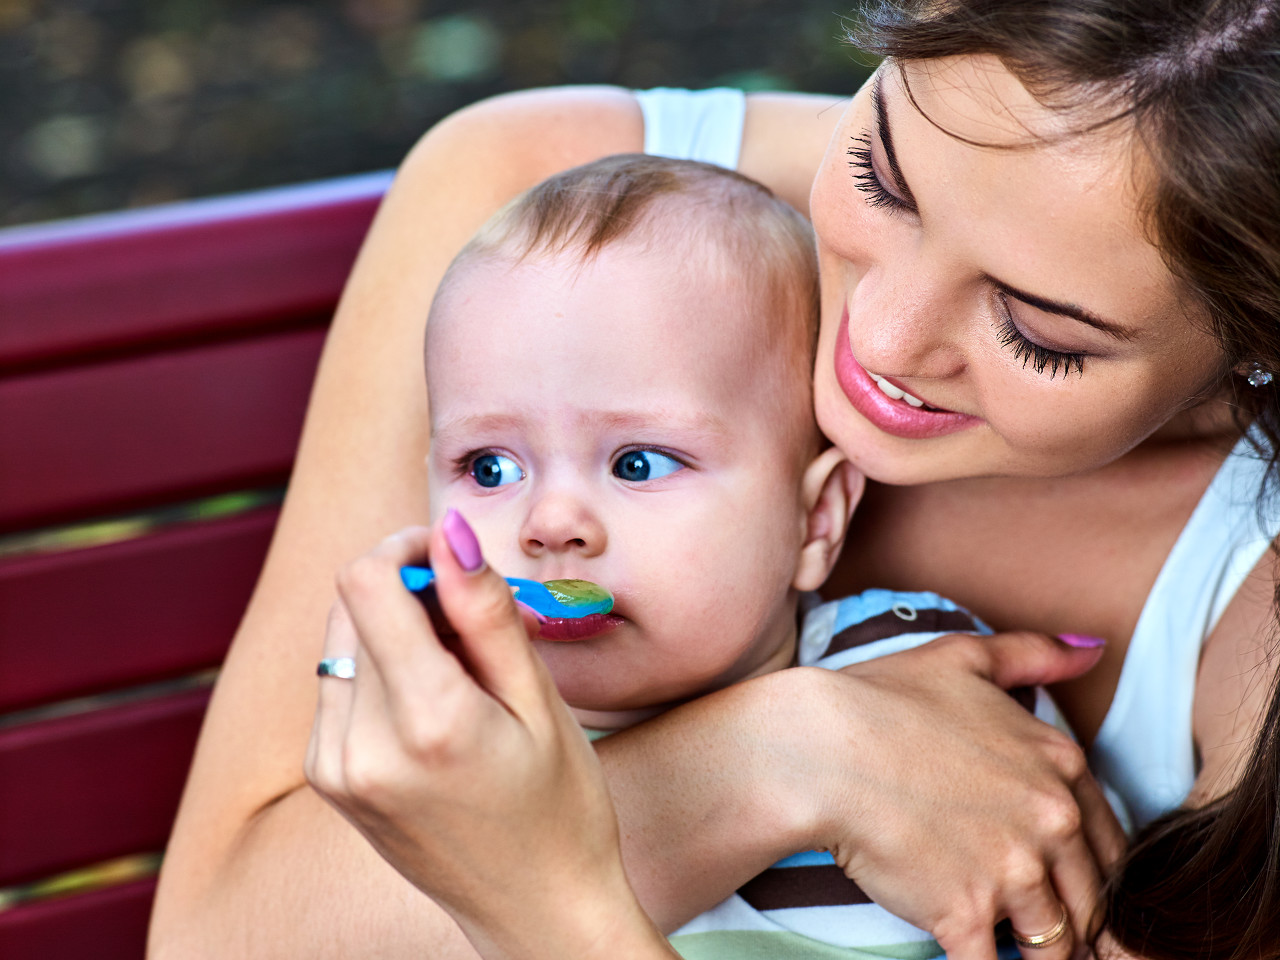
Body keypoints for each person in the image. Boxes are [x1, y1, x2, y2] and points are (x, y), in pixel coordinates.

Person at [148, 2, 1280, 959]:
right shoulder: (535, 213)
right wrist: (779, 758)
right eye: (881, 177)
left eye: (1036, 332)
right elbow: (220, 933)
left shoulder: (1252, 625)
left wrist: (564, 899)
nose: (876, 340)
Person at [408, 151, 1102, 958]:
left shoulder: (916, 677)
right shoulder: (437, 736)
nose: (548, 523)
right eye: (488, 467)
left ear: (814, 522)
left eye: (638, 462)